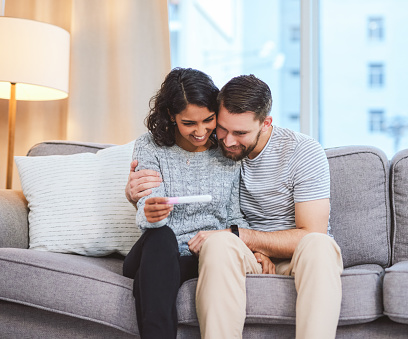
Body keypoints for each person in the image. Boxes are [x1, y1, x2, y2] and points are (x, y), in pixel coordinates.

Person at [126, 74, 344, 339]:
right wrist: (136, 198)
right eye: (223, 129)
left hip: (289, 256)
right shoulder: (217, 148)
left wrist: (244, 238)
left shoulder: (302, 151)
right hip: (219, 251)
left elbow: (310, 232)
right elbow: (162, 190)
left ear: (266, 124)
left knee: (319, 244)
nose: (227, 141)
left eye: (240, 133)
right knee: (210, 243)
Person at [122, 67, 249, 339]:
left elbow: (235, 215)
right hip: (157, 247)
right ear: (171, 116)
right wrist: (152, 212)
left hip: (200, 257)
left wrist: (240, 242)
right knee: (162, 237)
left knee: (152, 278)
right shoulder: (150, 146)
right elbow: (147, 204)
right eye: (189, 123)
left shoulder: (227, 151)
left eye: (208, 120)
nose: (201, 131)